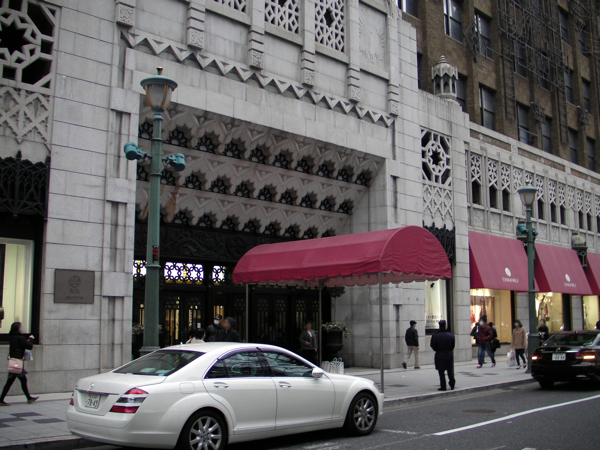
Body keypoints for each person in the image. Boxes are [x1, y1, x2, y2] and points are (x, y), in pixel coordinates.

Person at [0, 322, 38, 406]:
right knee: (13, 381)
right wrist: (31, 339)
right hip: (17, 363)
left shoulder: (13, 337)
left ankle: (28, 398)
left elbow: (21, 345)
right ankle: (1, 400)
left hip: (14, 362)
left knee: (18, 381)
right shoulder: (20, 338)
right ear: (18, 329)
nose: (22, 329)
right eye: (21, 327)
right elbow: (29, 346)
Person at [430, 320, 455, 391]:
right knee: (450, 369)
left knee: (441, 371)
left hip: (439, 354)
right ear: (446, 326)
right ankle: (452, 384)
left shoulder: (435, 336)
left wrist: (437, 349)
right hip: (449, 353)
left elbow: (433, 345)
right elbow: (453, 345)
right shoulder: (451, 335)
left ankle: (443, 386)